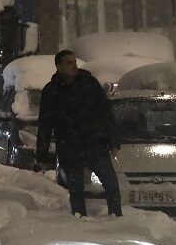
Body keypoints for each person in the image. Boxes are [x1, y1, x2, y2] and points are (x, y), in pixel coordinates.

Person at [35, 49, 122, 217]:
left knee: (111, 183)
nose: (73, 66)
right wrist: (42, 155)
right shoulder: (52, 90)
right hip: (70, 146)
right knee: (75, 187)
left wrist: (113, 141)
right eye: (69, 63)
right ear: (59, 66)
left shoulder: (89, 84)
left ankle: (116, 216)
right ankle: (79, 217)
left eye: (74, 62)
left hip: (94, 143)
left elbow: (105, 113)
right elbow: (45, 123)